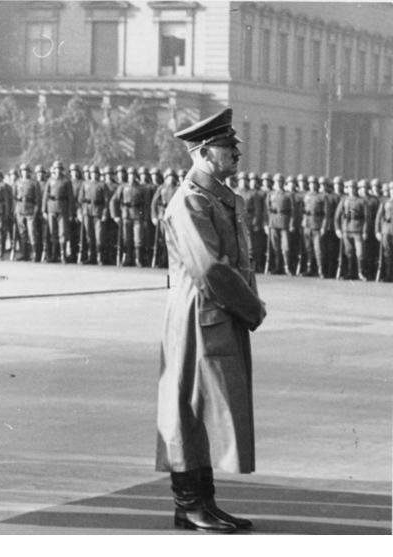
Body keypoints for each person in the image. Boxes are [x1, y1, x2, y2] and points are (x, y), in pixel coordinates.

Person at [158, 108, 266, 533]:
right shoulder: (190, 201)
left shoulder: (220, 196)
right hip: (198, 314)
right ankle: (189, 505)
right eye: (228, 146)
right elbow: (210, 268)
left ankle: (204, 503)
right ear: (204, 152)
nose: (236, 152)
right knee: (187, 409)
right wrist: (252, 307)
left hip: (219, 314)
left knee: (206, 414)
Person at [333, 179, 369, 280]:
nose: (351, 190)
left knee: (360, 253)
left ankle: (360, 272)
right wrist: (337, 229)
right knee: (348, 252)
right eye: (349, 188)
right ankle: (350, 272)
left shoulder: (361, 201)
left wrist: (365, 231)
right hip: (346, 229)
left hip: (358, 230)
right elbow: (337, 216)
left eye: (353, 188)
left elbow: (367, 218)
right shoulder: (344, 200)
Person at [42, 160, 74, 263]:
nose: (58, 171)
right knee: (53, 233)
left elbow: (71, 198)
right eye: (56, 169)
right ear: (53, 170)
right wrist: (44, 210)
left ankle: (63, 254)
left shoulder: (66, 181)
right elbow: (45, 196)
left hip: (62, 208)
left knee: (62, 233)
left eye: (59, 169)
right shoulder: (50, 180)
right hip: (51, 208)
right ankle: (54, 255)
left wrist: (70, 212)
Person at [13, 164, 42, 261]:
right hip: (20, 209)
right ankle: (24, 254)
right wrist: (15, 210)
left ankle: (35, 254)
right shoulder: (17, 182)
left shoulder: (34, 183)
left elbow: (38, 199)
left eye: (26, 171)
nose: (24, 172)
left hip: (30, 209)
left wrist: (36, 211)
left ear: (29, 172)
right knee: (22, 233)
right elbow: (14, 197)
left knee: (32, 232)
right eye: (23, 170)